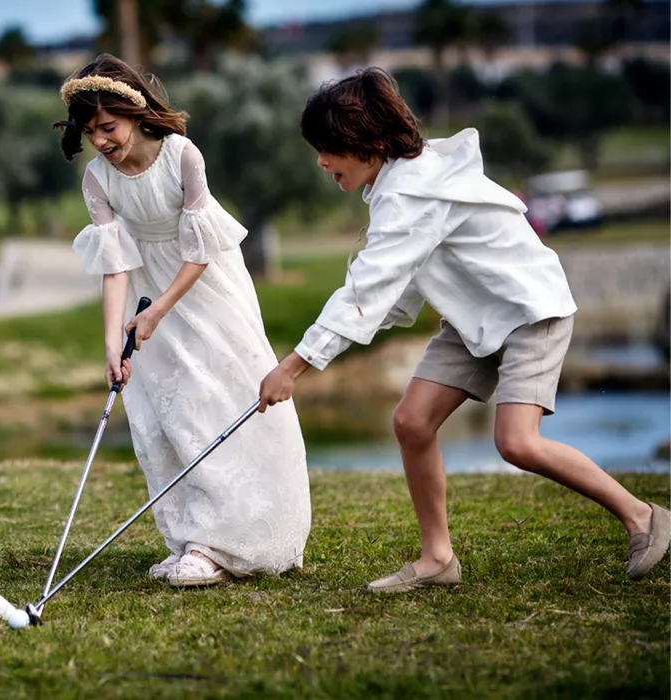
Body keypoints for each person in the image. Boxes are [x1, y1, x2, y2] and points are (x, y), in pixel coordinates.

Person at [257, 67, 669, 593]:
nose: (320, 161)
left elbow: (369, 285)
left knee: (517, 443)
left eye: (330, 148)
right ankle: (438, 560)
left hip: (527, 310)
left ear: (373, 143)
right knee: (411, 422)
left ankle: (644, 517)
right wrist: (345, 335)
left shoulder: (411, 192)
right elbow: (392, 290)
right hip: (474, 317)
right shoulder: (398, 185)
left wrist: (295, 364)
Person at [55, 54, 311, 587]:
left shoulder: (182, 156)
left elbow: (200, 253)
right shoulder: (98, 180)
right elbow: (116, 266)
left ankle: (223, 542)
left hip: (205, 288)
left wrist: (156, 315)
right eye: (90, 131)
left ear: (134, 111)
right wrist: (112, 339)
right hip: (147, 292)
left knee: (217, 399)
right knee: (170, 414)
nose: (100, 140)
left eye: (109, 126)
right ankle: (193, 538)